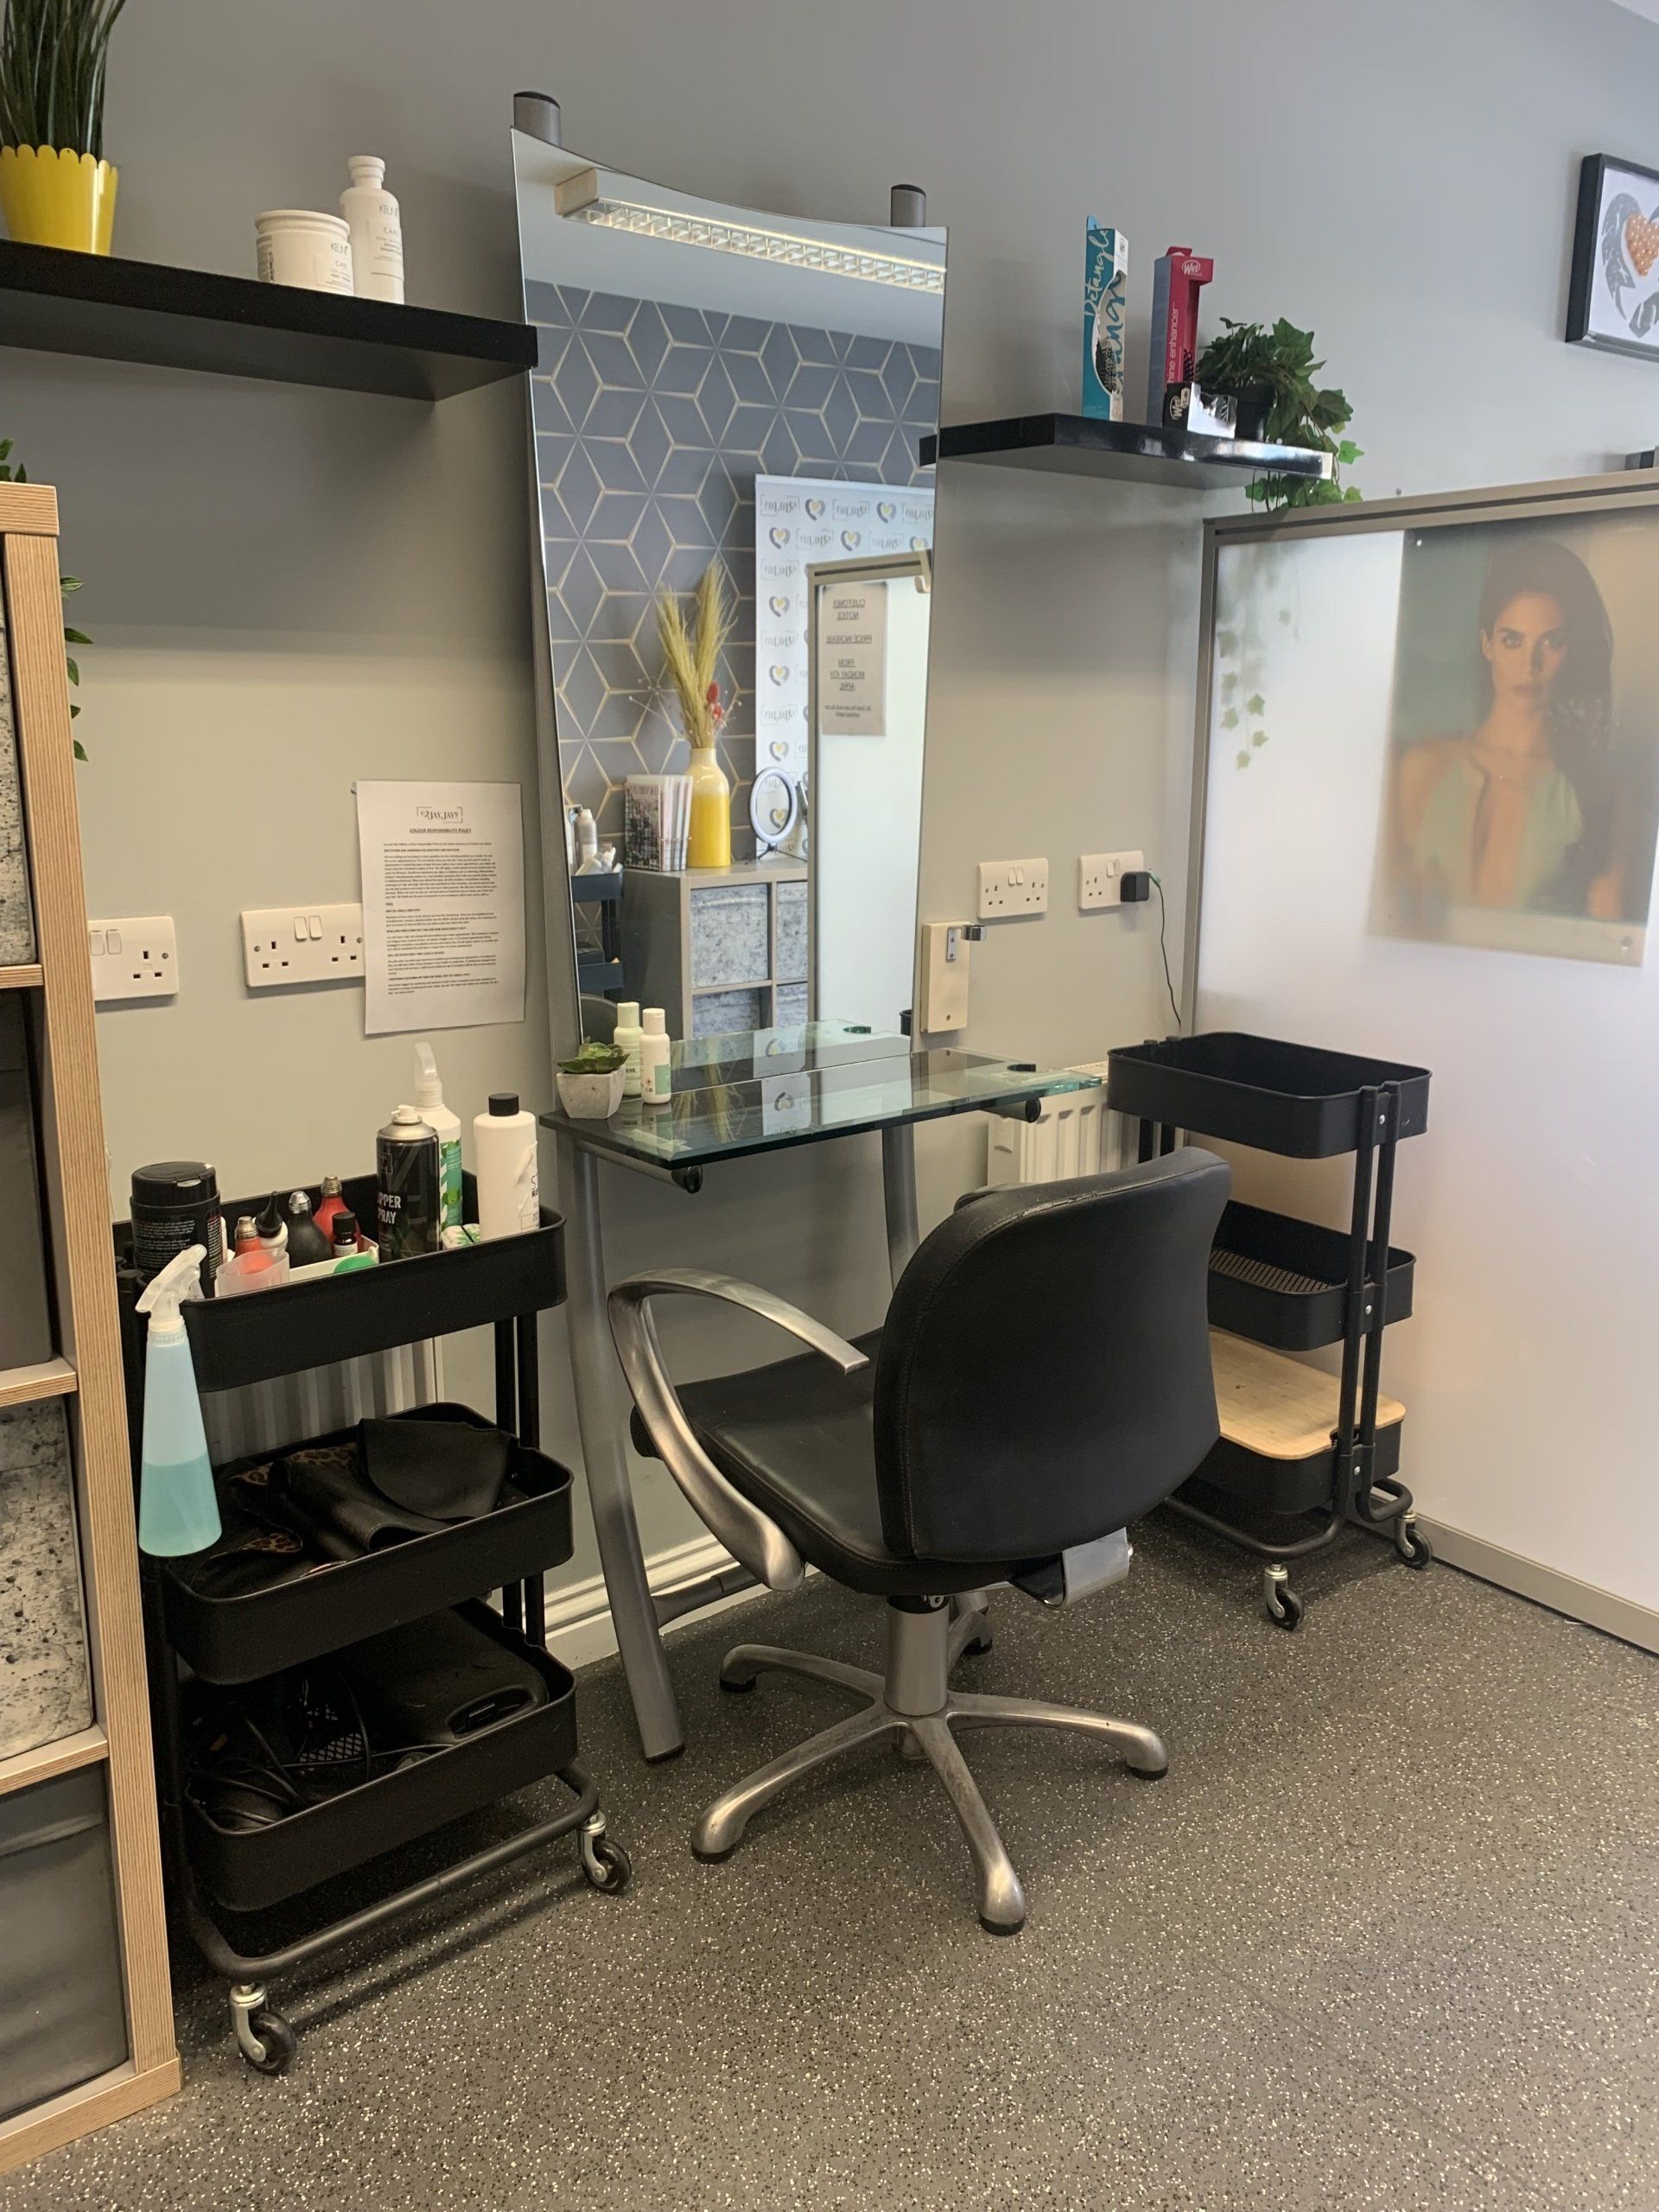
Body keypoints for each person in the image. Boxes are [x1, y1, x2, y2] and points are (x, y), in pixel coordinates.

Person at [1392, 537, 1623, 926]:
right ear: (1487, 645)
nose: (1530, 665)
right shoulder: (1423, 768)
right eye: (1512, 640)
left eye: (1551, 642)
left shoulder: (1597, 795)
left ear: (1572, 650)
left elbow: (1610, 944)